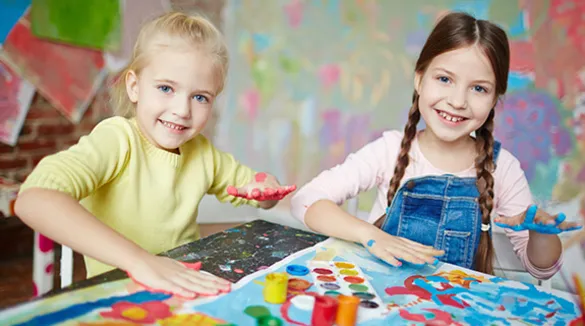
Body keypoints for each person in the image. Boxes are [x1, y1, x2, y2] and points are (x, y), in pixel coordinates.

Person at [14, 11, 295, 299]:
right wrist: (141, 261)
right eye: (166, 88)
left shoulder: (203, 153)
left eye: (200, 97)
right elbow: (34, 199)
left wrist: (267, 190)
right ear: (134, 87)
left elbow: (254, 189)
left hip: (184, 289)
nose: (183, 110)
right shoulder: (117, 140)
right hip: (120, 295)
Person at [290, 11, 581, 277]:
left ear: (494, 99)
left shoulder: (502, 167)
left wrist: (541, 234)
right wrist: (372, 235)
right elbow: (306, 200)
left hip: (458, 310)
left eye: (479, 88)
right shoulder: (389, 150)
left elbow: (541, 270)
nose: (457, 101)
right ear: (420, 80)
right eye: (444, 79)